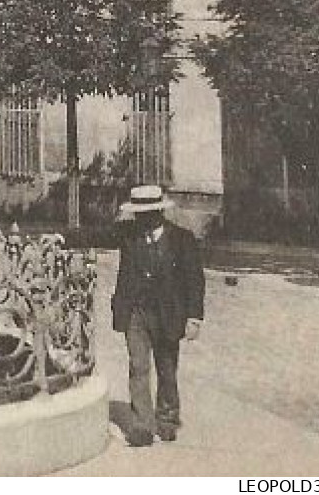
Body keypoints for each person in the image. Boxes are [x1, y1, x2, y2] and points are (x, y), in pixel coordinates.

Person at [111, 184, 205, 447]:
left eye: (148, 213)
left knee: (167, 369)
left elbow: (195, 281)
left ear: (159, 213)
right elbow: (92, 235)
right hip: (135, 313)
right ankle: (142, 425)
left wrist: (194, 318)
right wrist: (60, 238)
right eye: (138, 213)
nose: (143, 218)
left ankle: (166, 419)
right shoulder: (128, 235)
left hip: (169, 314)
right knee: (138, 366)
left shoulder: (182, 240)